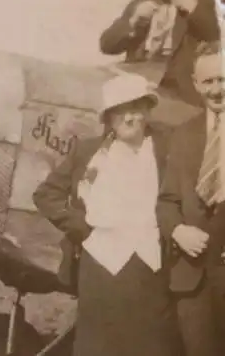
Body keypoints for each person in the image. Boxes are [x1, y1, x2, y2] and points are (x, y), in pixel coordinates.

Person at [33, 71, 180, 356]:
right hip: (100, 266)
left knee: (152, 343)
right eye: (120, 111)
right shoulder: (90, 151)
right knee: (99, 344)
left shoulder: (166, 148)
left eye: (136, 109)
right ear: (109, 117)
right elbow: (45, 195)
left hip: (152, 268)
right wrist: (82, 229)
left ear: (148, 111)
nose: (129, 118)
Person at [156, 41, 225, 356]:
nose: (216, 89)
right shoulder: (184, 134)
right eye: (208, 81)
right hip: (192, 281)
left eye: (222, 79)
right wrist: (178, 231)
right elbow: (167, 201)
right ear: (196, 84)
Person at [99, 0, 221, 106]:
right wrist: (132, 22)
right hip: (140, 82)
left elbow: (217, 34)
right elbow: (107, 45)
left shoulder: (203, 0)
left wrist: (194, 10)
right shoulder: (140, 5)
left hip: (181, 89)